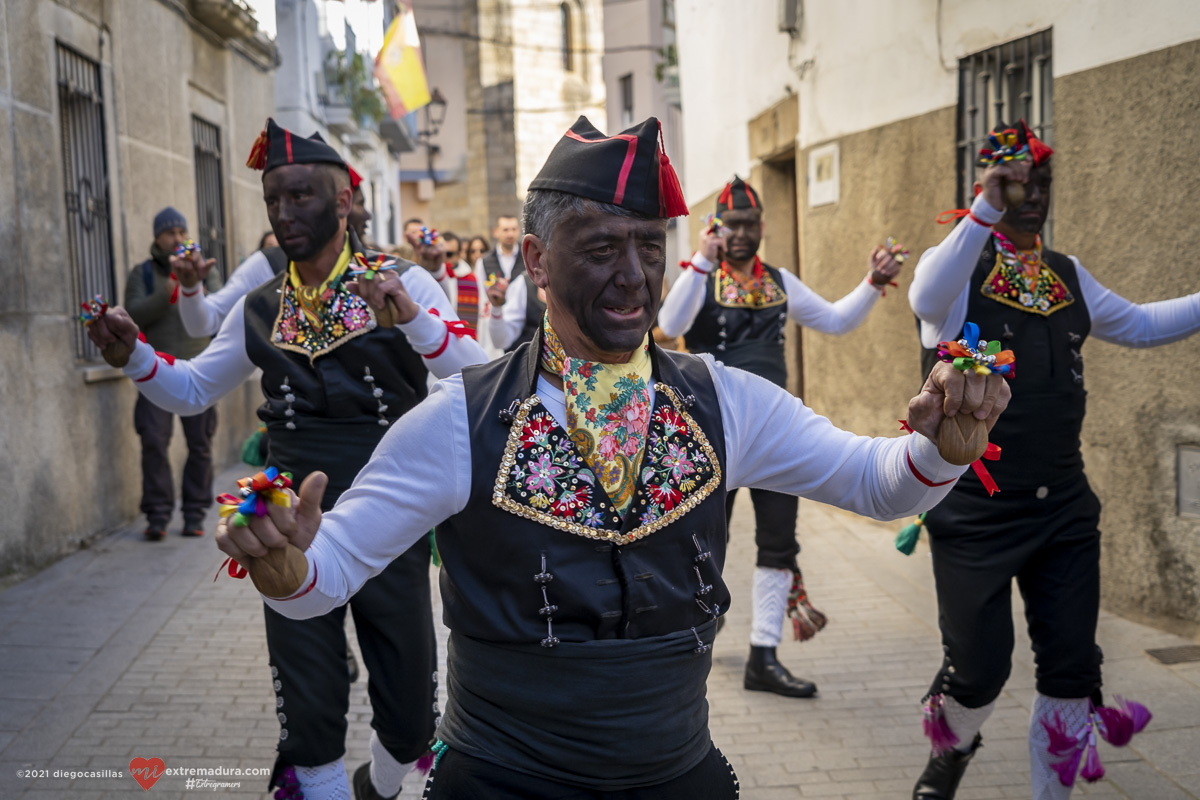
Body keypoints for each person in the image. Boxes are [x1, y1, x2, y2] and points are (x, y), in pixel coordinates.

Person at [214, 115, 1010, 799]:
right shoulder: (460, 421)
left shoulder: (723, 402)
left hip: (677, 780)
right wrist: (286, 567)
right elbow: (330, 573)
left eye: (649, 246)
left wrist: (939, 450)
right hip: (500, 784)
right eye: (600, 248)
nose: (634, 277)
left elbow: (878, 485)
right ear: (536, 260)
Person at [86, 118, 488, 800]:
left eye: (300, 196)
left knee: (410, 719)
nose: (284, 212)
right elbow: (192, 388)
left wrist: (415, 323)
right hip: (281, 520)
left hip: (390, 509)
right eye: (273, 199)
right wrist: (134, 356)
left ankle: (379, 783)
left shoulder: (404, 283)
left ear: (343, 201)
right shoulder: (259, 306)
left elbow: (476, 376)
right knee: (308, 708)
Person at [907, 120, 1200, 800]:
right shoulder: (956, 270)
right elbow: (923, 298)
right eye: (1015, 183)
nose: (1031, 194)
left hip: (1063, 507)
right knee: (979, 673)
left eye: (1040, 182)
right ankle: (951, 748)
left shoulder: (1064, 274)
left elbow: (1141, 324)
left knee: (1071, 671)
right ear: (984, 185)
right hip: (973, 512)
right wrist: (986, 209)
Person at [656, 176, 903, 698]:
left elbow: (835, 320)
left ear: (762, 227)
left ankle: (764, 656)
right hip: (713, 430)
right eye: (731, 224)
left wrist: (873, 282)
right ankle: (697, 624)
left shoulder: (780, 281)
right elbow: (671, 322)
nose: (741, 233)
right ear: (716, 227)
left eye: (749, 224)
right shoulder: (701, 278)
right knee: (702, 538)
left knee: (778, 540)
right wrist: (701, 259)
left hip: (775, 434)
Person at [177, 158, 373, 339]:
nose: (367, 215)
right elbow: (205, 324)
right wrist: (190, 288)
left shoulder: (379, 270)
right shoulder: (267, 265)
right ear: (339, 204)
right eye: (273, 202)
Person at [123, 206, 222, 539]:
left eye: (181, 232)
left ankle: (195, 514)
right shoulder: (143, 274)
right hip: (157, 373)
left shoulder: (203, 269)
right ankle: (158, 515)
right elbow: (133, 315)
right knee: (153, 442)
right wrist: (166, 292)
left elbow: (220, 310)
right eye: (170, 233)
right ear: (158, 238)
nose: (177, 238)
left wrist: (196, 285)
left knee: (201, 445)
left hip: (199, 371)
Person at [425, 231, 485, 340]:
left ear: (459, 255)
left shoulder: (471, 280)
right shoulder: (427, 276)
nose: (443, 258)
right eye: (439, 253)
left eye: (449, 254)